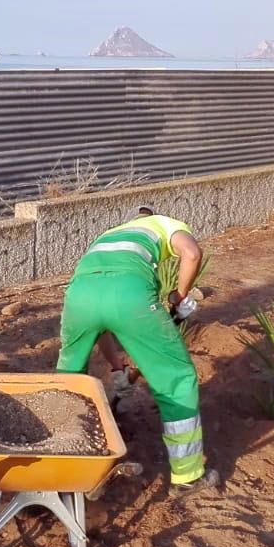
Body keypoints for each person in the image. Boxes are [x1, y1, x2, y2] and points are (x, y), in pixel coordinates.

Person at [56, 206, 207, 487]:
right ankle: (187, 476)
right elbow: (192, 254)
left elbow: (101, 321)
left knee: (68, 379)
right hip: (131, 295)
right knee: (176, 379)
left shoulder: (108, 236)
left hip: (79, 298)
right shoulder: (165, 223)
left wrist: (117, 369)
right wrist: (180, 295)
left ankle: (61, 459)